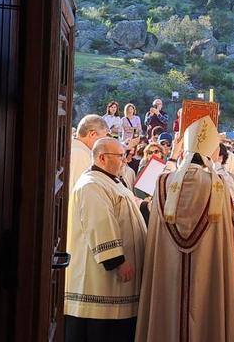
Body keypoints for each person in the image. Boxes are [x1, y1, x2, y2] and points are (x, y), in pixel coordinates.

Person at [135, 116, 234, 342]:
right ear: (210, 153)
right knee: (206, 303)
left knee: (169, 305)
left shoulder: (163, 182)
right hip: (207, 265)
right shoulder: (218, 185)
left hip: (168, 266)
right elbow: (226, 233)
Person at [64, 138, 146, 342]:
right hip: (102, 283)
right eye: (120, 156)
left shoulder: (111, 182)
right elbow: (100, 224)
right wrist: (117, 261)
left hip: (117, 287)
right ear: (102, 157)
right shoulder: (91, 184)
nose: (125, 161)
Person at [70, 115, 108, 192]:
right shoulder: (79, 154)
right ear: (92, 134)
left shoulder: (80, 150)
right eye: (103, 138)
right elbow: (82, 191)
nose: (104, 143)